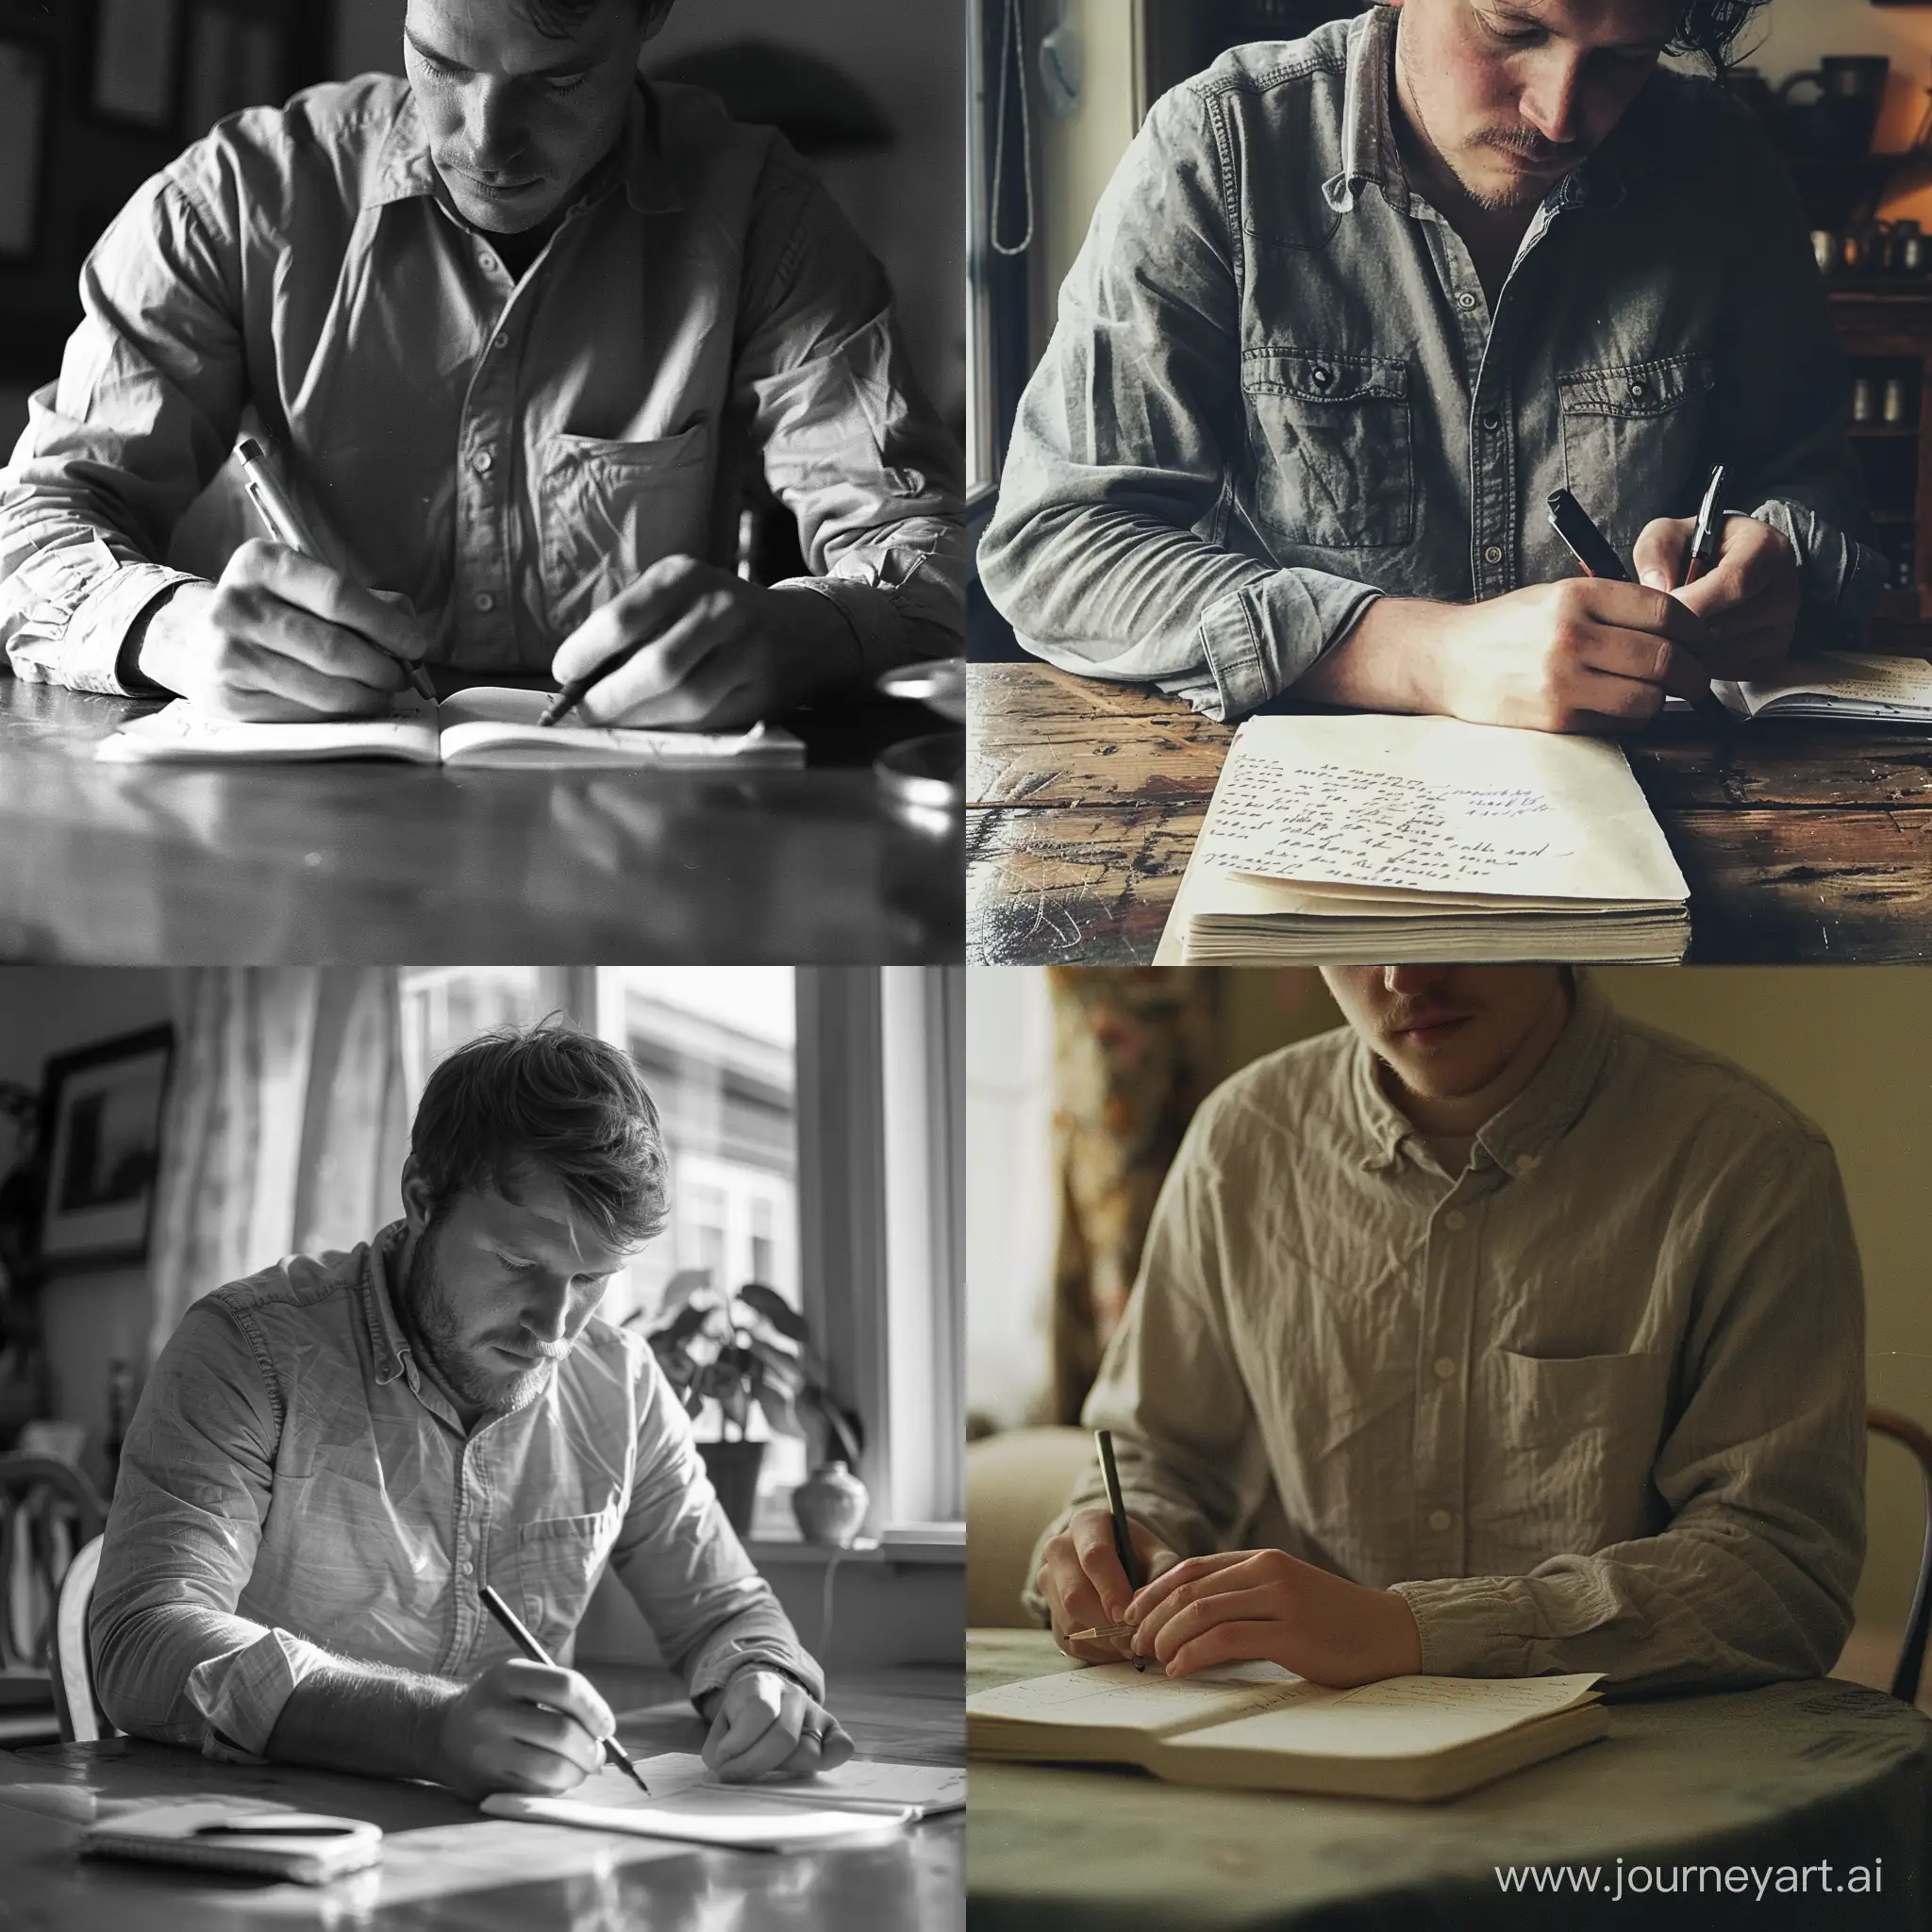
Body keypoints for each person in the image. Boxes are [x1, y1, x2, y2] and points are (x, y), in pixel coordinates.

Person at [0, 0, 959, 727]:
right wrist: (171, 627)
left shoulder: (761, 215)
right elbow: (30, 526)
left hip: (646, 837)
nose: (486, 142)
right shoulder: (235, 200)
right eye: (441, 63)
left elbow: (931, 559)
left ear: (648, 17)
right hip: (294, 827)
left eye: (559, 81)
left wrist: (805, 632)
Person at [980, 0, 1885, 734]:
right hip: (1290, 799)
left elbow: (1818, 488)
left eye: (1624, 57)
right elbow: (1057, 542)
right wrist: (1420, 653)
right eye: (1514, 29)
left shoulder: (1725, 169)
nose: (1560, 113)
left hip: (1660, 797)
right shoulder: (1222, 148)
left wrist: (1777, 564)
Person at [1030, 966, 1865, 1692]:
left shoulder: (1747, 1162)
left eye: (1450, 916)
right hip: (1293, 1768)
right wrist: (1115, 1538)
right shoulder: (1240, 1141)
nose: (1404, 976)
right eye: (1355, 926)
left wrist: (1408, 1630)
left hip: (1636, 1775)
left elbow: (1780, 1574)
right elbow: (1156, 1458)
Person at [92, 1022, 853, 1799]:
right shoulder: (247, 1350)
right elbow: (143, 1637)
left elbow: (724, 1610)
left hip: (511, 1852)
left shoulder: (620, 1385)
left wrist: (761, 1681)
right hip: (250, 1844)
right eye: (520, 1263)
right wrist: (428, 1729)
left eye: (593, 1278)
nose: (555, 1328)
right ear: (422, 1198)